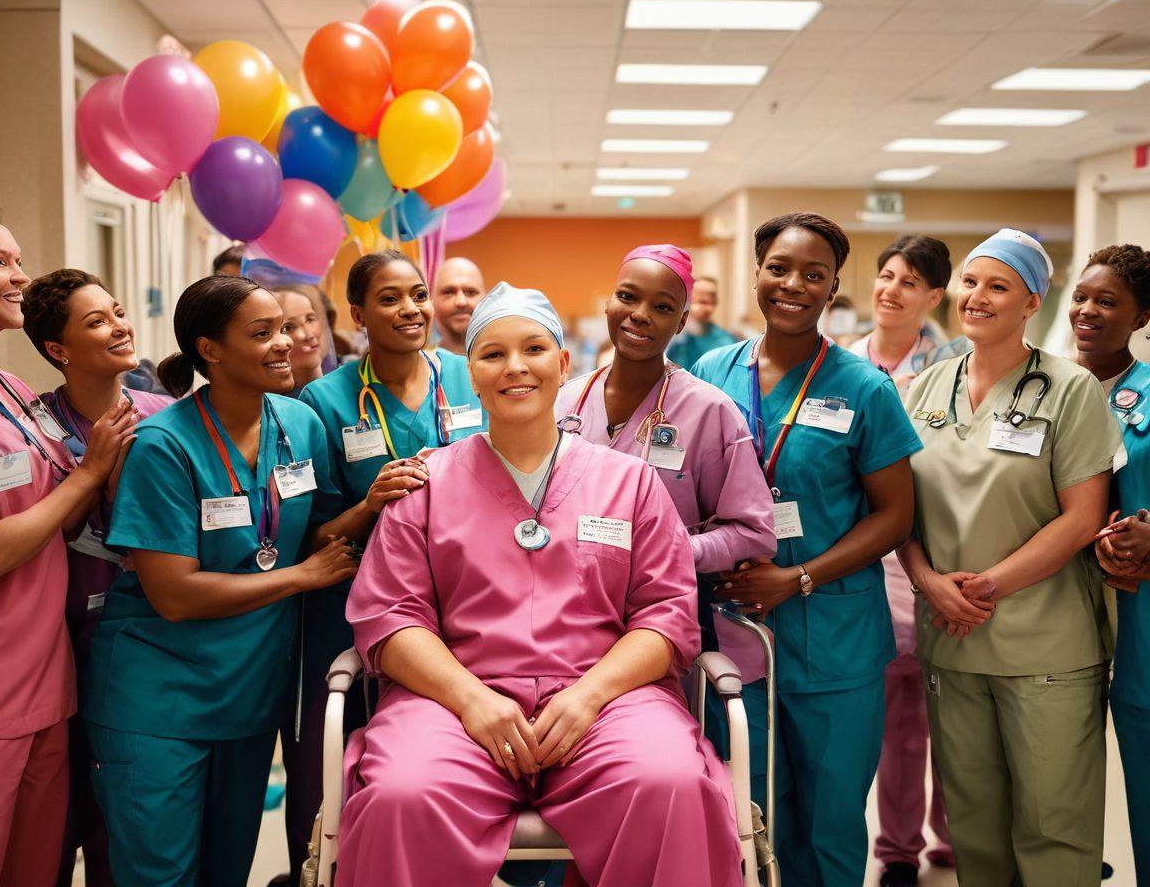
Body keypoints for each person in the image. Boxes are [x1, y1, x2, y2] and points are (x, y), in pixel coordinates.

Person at [337, 284, 742, 887]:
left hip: (608, 701)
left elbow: (665, 615)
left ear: (563, 362)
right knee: (402, 793)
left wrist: (588, 697)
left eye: (533, 348)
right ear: (471, 375)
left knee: (668, 782)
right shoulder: (425, 485)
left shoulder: (629, 483)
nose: (515, 367)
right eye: (492, 354)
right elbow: (391, 617)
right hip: (453, 703)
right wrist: (473, 701)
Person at [81, 275, 358, 887]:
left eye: (284, 328)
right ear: (210, 350)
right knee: (160, 876)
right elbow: (175, 595)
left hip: (248, 694)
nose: (285, 342)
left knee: (226, 872)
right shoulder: (163, 445)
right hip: (159, 701)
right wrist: (300, 577)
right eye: (262, 333)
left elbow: (310, 533)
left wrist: (377, 503)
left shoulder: (300, 425)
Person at [692, 212, 921, 886]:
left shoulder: (864, 388)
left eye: (813, 274)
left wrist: (796, 579)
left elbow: (896, 516)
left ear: (833, 288)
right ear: (757, 274)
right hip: (733, 633)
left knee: (828, 825)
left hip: (834, 640)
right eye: (779, 268)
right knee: (750, 815)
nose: (793, 284)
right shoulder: (711, 372)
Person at [901, 229, 1118, 885]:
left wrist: (984, 587)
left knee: (1052, 828)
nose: (977, 297)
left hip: (1044, 649)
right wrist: (929, 582)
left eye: (998, 286)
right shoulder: (923, 388)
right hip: (951, 642)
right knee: (974, 826)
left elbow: (1082, 517)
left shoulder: (1071, 389)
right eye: (970, 282)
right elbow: (897, 509)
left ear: (1032, 302)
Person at [289, 250, 486, 885]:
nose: (411, 309)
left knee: (444, 757)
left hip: (467, 602)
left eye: (418, 295)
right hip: (354, 605)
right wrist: (370, 503)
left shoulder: (467, 376)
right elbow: (312, 537)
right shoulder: (323, 400)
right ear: (358, 314)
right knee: (333, 761)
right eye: (390, 298)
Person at [555, 245, 775, 797]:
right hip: (567, 625)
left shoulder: (709, 412)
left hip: (665, 623)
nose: (640, 316)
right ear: (609, 303)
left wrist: (670, 549)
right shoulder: (564, 403)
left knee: (664, 774)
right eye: (628, 298)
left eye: (661, 307)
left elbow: (753, 531)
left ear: (681, 321)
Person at [20, 268, 172, 887]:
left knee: (123, 825)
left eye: (118, 312)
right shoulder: (33, 429)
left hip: (146, 647)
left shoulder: (166, 417)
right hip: (56, 646)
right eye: (97, 322)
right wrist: (94, 479)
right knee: (52, 825)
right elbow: (35, 530)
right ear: (58, 350)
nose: (119, 327)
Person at [0, 225, 137, 887]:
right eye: (1, 262)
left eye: (19, 259)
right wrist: (89, 476)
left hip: (45, 678)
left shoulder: (12, 390)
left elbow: (54, 512)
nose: (20, 276)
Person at [845, 235, 954, 887]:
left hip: (939, 561)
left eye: (909, 281)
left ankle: (954, 836)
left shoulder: (957, 368)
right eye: (886, 275)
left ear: (934, 296)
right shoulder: (841, 365)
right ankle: (896, 852)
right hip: (867, 562)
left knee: (954, 722)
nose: (891, 289)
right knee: (898, 726)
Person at [1069, 245, 1150, 883]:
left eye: (1107, 301)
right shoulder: (1040, 388)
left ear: (1141, 316)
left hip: (1136, 614)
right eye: (1081, 297)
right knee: (1055, 778)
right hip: (1053, 608)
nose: (1087, 311)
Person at [666, 275, 738, 371]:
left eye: (709, 301)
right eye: (700, 301)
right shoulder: (674, 338)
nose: (705, 307)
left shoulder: (725, 341)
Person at [270, 285, 326, 396]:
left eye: (310, 319)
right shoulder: (274, 403)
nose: (309, 335)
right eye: (288, 327)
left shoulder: (349, 377)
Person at [431, 256, 487, 354]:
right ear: (432, 299)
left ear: (486, 299)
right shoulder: (419, 360)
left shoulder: (507, 358)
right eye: (449, 292)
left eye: (470, 292)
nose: (461, 302)